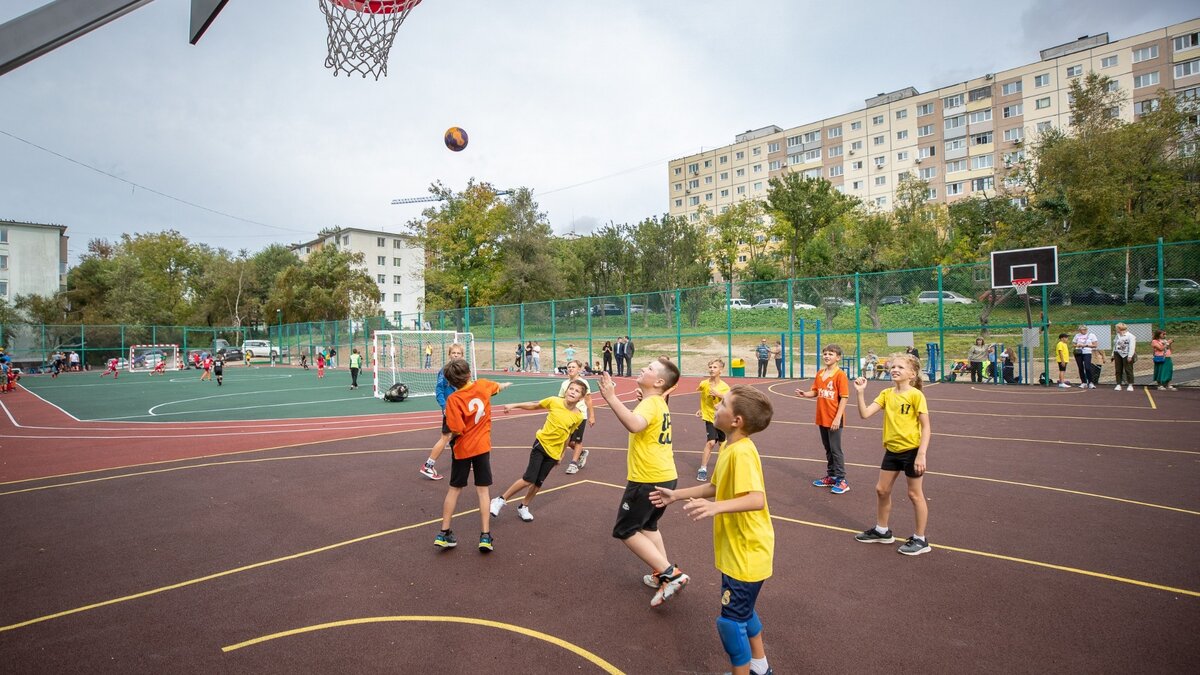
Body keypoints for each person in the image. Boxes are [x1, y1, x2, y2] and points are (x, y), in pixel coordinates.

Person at [650, 386, 775, 675]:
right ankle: (760, 667)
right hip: (740, 550)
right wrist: (676, 495)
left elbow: (756, 499)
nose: (716, 407)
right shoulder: (732, 447)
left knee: (730, 624)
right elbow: (715, 487)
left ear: (737, 421)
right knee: (745, 613)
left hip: (747, 553)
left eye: (723, 405)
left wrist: (716, 508)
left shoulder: (742, 452)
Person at [596, 358, 689, 608]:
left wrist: (611, 397)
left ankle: (671, 575)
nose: (643, 369)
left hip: (647, 478)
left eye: (649, 368)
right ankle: (664, 574)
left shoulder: (651, 403)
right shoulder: (656, 403)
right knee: (649, 526)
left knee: (625, 530)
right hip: (665, 474)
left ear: (659, 381)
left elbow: (635, 425)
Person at [852, 352, 932, 556]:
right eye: (892, 366)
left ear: (912, 374)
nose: (894, 369)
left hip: (912, 451)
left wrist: (922, 454)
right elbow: (865, 414)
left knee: (914, 494)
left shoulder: (916, 395)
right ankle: (882, 530)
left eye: (900, 367)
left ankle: (921, 539)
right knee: (881, 490)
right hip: (892, 450)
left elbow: (926, 427)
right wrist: (860, 393)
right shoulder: (887, 394)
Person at [436, 359, 511, 552]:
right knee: (483, 491)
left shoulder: (453, 400)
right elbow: (497, 387)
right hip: (482, 447)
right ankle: (485, 536)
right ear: (470, 374)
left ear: (451, 383)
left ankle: (444, 532)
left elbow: (457, 428)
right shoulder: (483, 385)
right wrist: (504, 385)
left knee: (454, 489)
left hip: (462, 449)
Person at [490, 380, 588, 522]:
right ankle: (500, 500)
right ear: (566, 391)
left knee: (538, 483)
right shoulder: (554, 401)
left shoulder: (578, 416)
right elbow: (534, 405)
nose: (572, 392)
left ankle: (523, 506)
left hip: (554, 453)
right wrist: (514, 405)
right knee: (528, 479)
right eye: (571, 389)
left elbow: (567, 435)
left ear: (581, 397)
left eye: (577, 391)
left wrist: (561, 454)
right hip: (541, 445)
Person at [797, 344, 850, 494]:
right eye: (825, 354)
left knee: (836, 450)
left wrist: (837, 418)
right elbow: (815, 391)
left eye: (831, 354)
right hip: (822, 417)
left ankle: (842, 480)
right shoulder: (820, 373)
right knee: (828, 449)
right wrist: (805, 394)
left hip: (834, 418)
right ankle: (832, 475)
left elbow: (844, 397)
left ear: (838, 357)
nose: (827, 356)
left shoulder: (840, 375)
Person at [420, 343, 467, 481]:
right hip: (451, 409)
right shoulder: (445, 370)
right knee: (445, 437)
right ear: (449, 354)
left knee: (461, 433)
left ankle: (463, 459)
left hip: (460, 409)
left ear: (462, 355)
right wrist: (444, 406)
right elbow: (439, 390)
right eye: (454, 353)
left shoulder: (463, 370)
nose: (456, 355)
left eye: (458, 353)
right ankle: (428, 465)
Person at [695, 359, 731, 481]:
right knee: (711, 442)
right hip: (710, 417)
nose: (711, 369)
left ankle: (722, 469)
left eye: (715, 367)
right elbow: (703, 397)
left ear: (721, 370)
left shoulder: (725, 387)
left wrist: (719, 396)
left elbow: (730, 400)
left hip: (721, 418)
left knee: (722, 444)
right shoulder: (704, 383)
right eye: (710, 367)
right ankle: (703, 469)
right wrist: (701, 409)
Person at [561, 360, 597, 475]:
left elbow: (588, 400)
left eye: (573, 367)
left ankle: (573, 464)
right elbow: (561, 399)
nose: (570, 369)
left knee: (577, 440)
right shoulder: (564, 384)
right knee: (567, 440)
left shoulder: (583, 383)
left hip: (580, 416)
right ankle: (582, 453)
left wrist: (592, 416)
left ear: (579, 369)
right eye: (569, 367)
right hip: (567, 415)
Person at [1072, 324, 1099, 389]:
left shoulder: (1091, 335)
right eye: (1080, 330)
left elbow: (1095, 345)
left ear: (1086, 329)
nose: (1082, 331)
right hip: (1078, 352)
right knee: (1080, 367)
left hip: (1087, 352)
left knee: (1087, 367)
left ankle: (1090, 382)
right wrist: (1077, 345)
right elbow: (1073, 343)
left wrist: (1086, 345)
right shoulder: (1077, 335)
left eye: (1083, 330)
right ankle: (1083, 382)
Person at [1111, 323, 1136, 391]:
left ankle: (1130, 384)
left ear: (1120, 328)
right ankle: (1118, 384)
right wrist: (1113, 354)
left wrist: (1130, 356)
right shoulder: (1117, 336)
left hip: (1126, 354)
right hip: (1118, 353)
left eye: (1117, 328)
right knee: (1118, 369)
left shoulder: (1130, 336)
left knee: (1128, 369)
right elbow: (1115, 345)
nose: (1116, 329)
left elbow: (1132, 346)